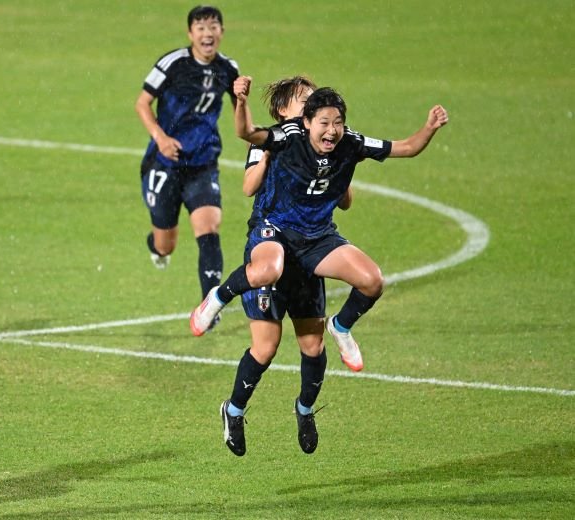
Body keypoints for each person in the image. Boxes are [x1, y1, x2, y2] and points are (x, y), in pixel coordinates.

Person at [192, 87, 449, 377]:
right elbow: (247, 135)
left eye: (336, 122)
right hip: (275, 229)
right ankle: (218, 297)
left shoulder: (348, 142)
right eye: (321, 119)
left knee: (372, 281)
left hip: (317, 236)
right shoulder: (285, 137)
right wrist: (241, 101)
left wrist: (428, 129)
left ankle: (341, 327)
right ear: (304, 119)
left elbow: (406, 148)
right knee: (267, 276)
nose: (331, 129)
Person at [215, 76, 351, 456]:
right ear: (282, 111)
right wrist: (274, 151)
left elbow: (346, 201)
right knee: (266, 346)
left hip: (310, 253)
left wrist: (338, 169)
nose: (312, 108)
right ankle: (235, 410)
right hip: (271, 247)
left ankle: (305, 410)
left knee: (313, 345)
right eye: (303, 101)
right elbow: (248, 186)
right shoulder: (270, 138)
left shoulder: (324, 147)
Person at [135, 5, 239, 301]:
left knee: (209, 229)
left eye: (213, 27)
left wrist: (256, 149)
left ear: (222, 31)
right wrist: (161, 137)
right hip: (165, 162)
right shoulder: (173, 63)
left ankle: (210, 304)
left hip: (203, 164)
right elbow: (142, 103)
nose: (208, 33)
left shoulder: (228, 69)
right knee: (166, 244)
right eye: (201, 28)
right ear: (190, 33)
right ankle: (156, 247)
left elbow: (240, 115)